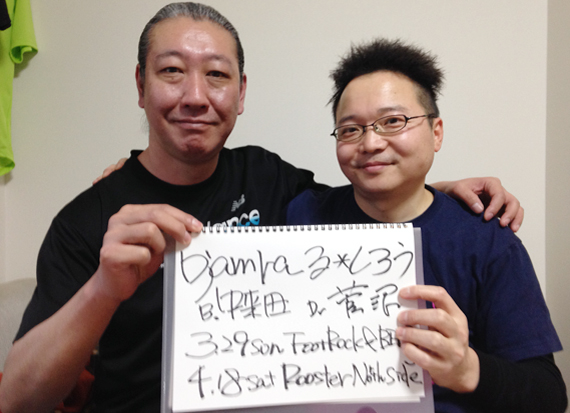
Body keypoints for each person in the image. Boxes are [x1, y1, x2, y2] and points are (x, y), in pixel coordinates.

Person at [0, 4, 523, 413]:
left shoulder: (270, 179)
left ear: (241, 92)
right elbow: (17, 401)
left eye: (217, 75)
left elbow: (364, 198)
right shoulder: (88, 221)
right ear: (141, 85)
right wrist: (103, 289)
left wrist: (435, 189)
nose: (196, 96)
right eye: (172, 71)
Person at [286, 39, 567, 412]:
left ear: (436, 132)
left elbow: (549, 395)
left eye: (393, 122)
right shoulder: (301, 216)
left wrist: (468, 369)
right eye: (350, 129)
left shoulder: (486, 241)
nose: (370, 143)